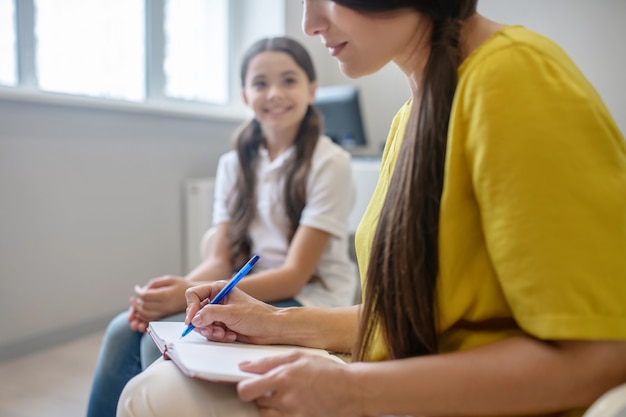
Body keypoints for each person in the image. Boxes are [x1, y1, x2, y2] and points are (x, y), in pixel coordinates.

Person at [117, 1, 626, 416]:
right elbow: (409, 321)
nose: (310, 23)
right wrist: (271, 322)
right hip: (402, 377)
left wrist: (352, 391)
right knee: (159, 376)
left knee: (157, 395)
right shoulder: (413, 114)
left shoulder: (516, 78)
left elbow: (602, 358)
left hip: (450, 396)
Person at [86, 35, 358, 417]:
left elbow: (295, 276)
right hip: (240, 287)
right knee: (124, 330)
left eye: (289, 80)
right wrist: (181, 292)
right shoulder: (233, 164)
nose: (274, 93)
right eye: (260, 83)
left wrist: (189, 295)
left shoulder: (332, 163)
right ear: (245, 95)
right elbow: (219, 258)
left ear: (312, 90)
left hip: (307, 296)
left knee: (163, 343)